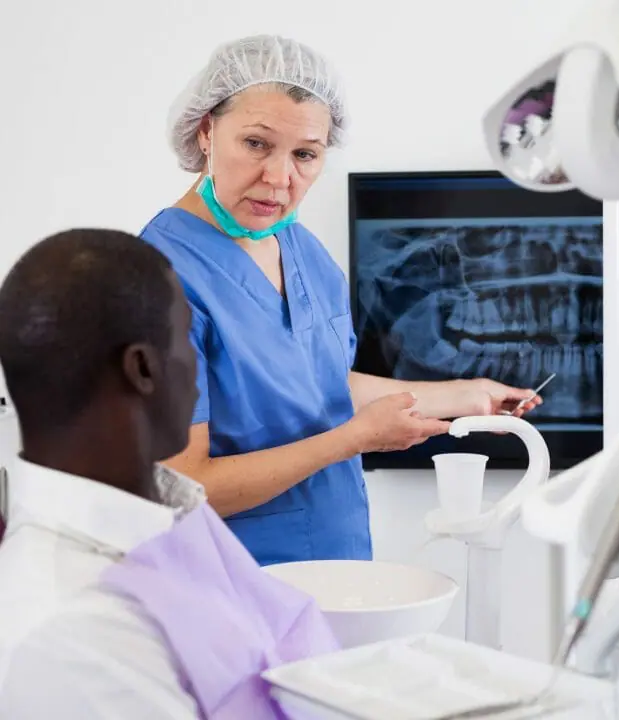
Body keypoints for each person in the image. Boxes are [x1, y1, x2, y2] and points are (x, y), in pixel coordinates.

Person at [141, 34, 542, 566]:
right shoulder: (155, 280)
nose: (280, 179)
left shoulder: (298, 247)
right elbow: (183, 489)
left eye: (305, 154)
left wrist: (463, 396)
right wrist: (352, 441)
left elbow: (316, 383)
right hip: (232, 583)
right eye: (257, 144)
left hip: (337, 563)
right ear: (207, 131)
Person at [0, 228, 341, 719]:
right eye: (187, 339)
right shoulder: (64, 631)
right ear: (142, 368)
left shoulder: (168, 515)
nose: (199, 370)